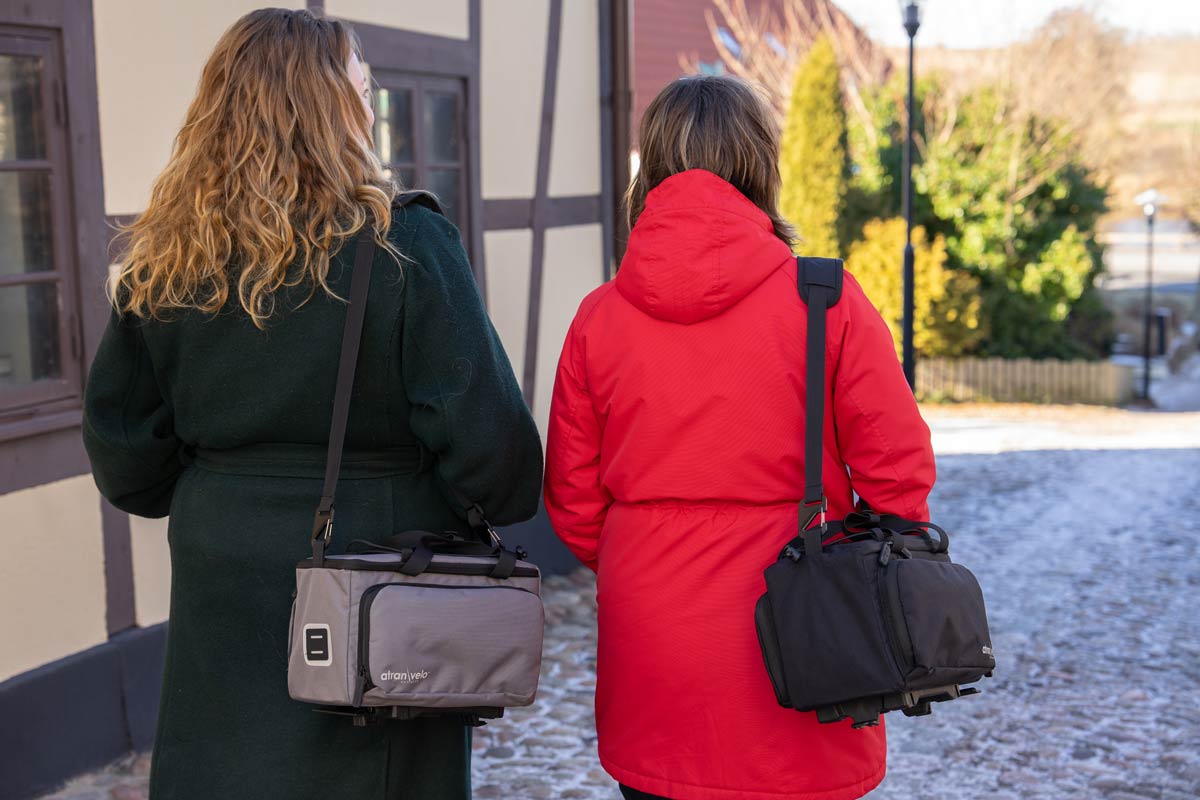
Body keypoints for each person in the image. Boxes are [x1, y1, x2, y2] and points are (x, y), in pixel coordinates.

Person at [82, 9, 541, 799]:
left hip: (222, 576)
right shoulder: (407, 249)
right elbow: (499, 462)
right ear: (336, 110)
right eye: (364, 89)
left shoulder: (166, 262)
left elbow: (127, 463)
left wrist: (224, 487)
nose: (373, 107)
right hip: (381, 586)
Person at [543, 75, 937, 800]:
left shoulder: (598, 318)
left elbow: (570, 498)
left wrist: (646, 554)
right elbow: (899, 471)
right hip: (805, 619)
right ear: (760, 162)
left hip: (653, 625)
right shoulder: (825, 298)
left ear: (650, 168)